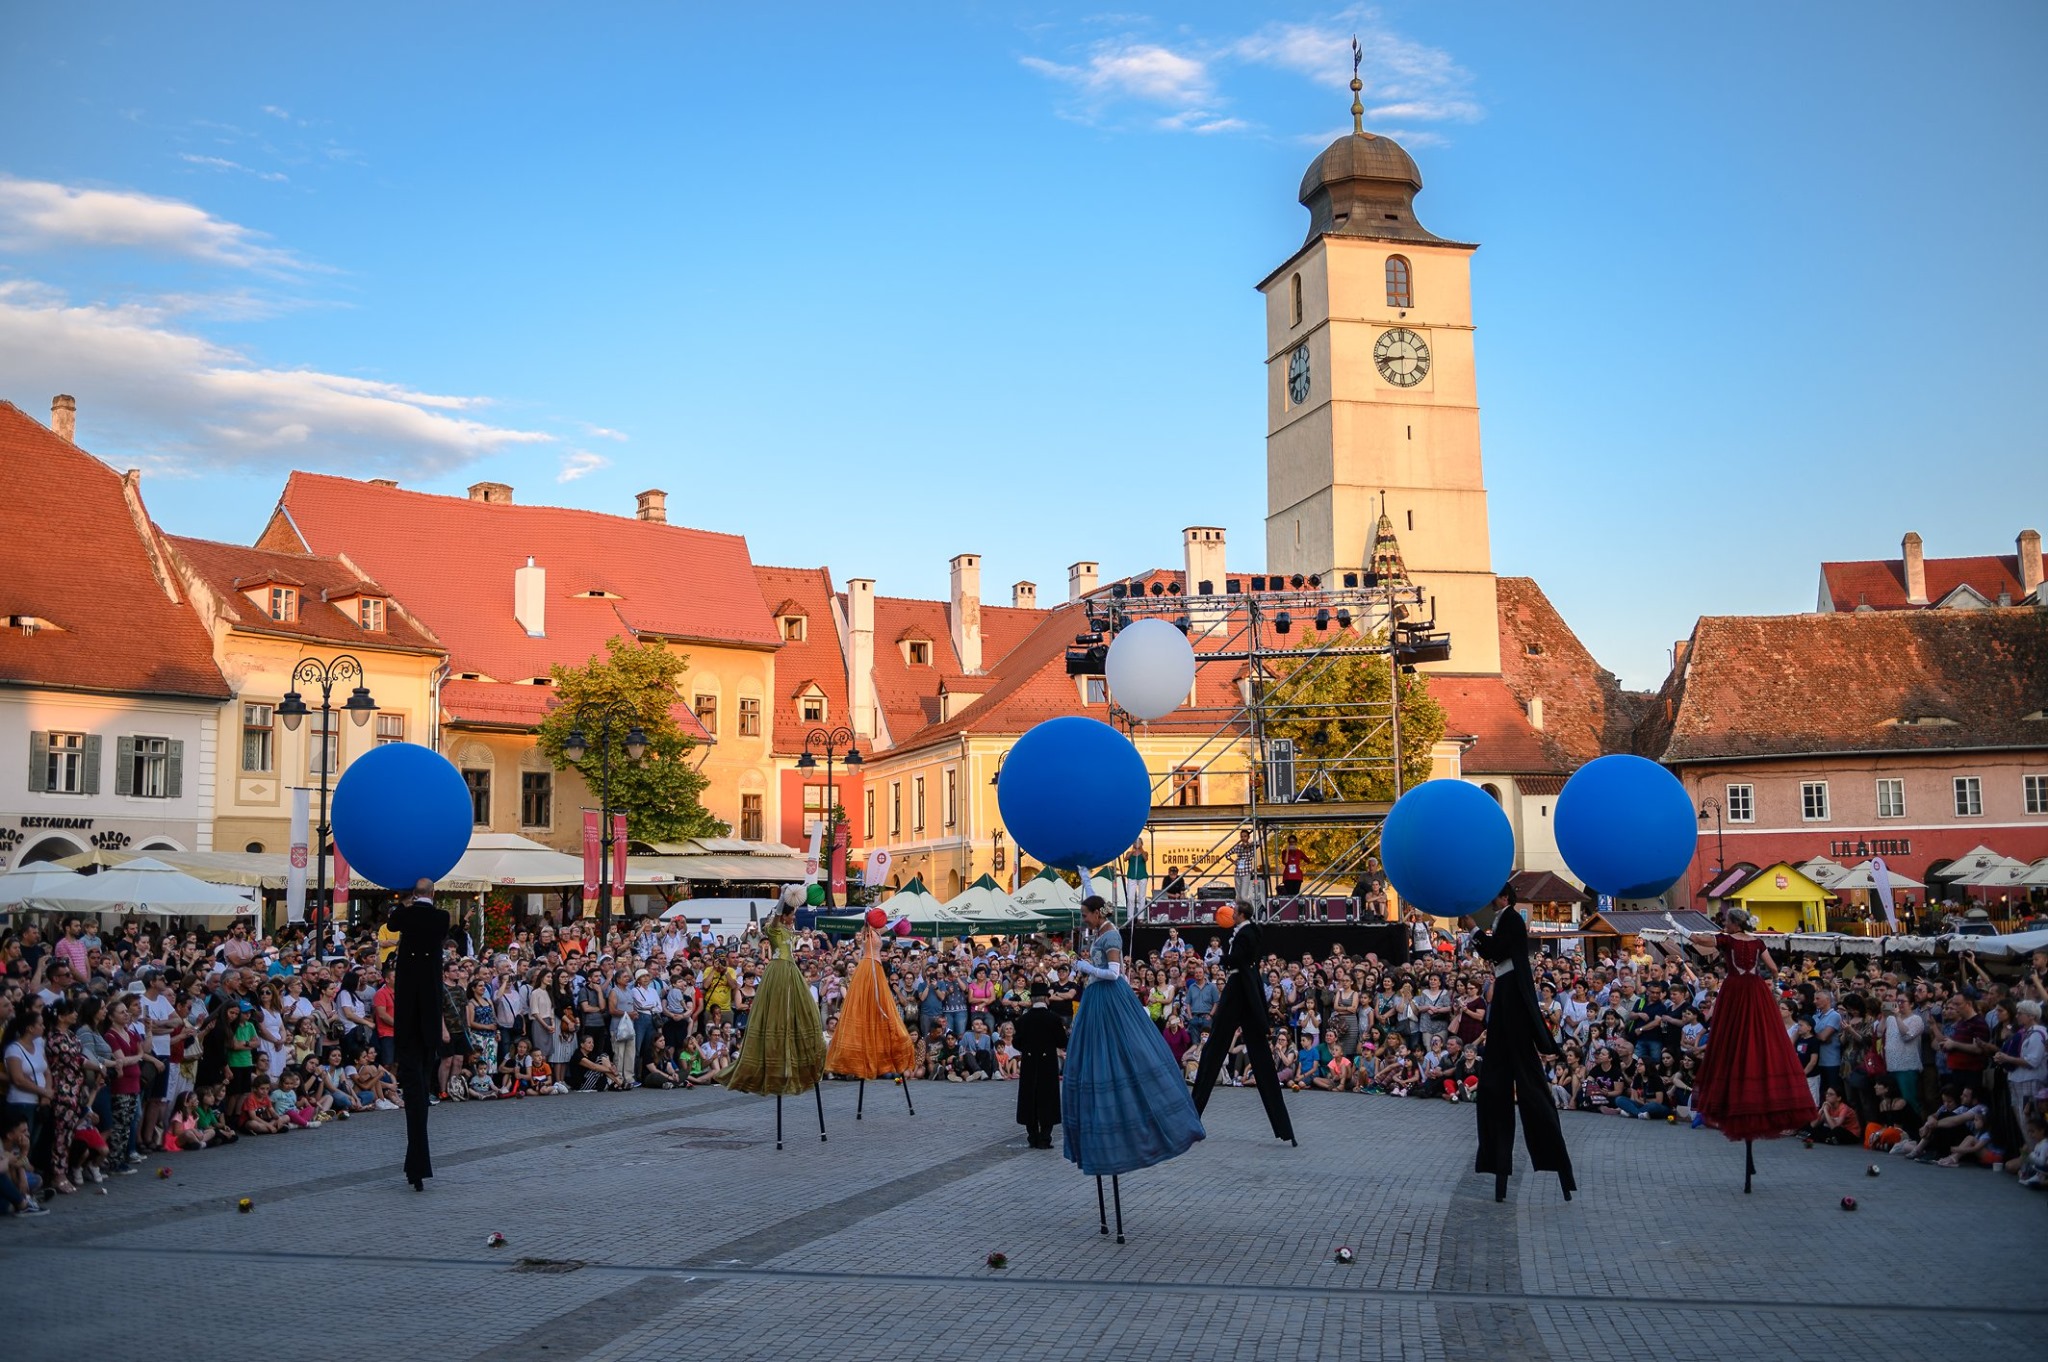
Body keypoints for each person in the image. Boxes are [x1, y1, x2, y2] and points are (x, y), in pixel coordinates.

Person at [1062, 897, 1203, 1236]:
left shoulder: (1110, 937)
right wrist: (1085, 872)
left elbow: (1113, 973)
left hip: (1107, 1000)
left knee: (1110, 1061)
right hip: (1097, 1002)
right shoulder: (1102, 925)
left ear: (1098, 914)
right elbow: (1094, 896)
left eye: (1085, 915)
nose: (1084, 921)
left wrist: (1083, 968)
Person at [1675, 908, 1818, 1192]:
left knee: (1732, 1037)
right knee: (1760, 1037)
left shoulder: (1727, 940)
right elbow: (1773, 968)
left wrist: (1680, 929)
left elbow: (1703, 941)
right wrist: (1775, 988)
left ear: (1734, 923)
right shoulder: (1756, 942)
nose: (1723, 924)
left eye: (1726, 921)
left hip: (1736, 990)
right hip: (1755, 990)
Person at [1472, 894, 1576, 1203]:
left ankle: (1554, 1167)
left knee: (1531, 1091)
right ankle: (1497, 1164)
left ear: (1503, 897)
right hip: (1505, 1001)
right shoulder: (1503, 919)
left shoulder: (1512, 919)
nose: (1488, 900)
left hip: (1513, 1003)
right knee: (1494, 1089)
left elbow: (1496, 950)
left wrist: (1475, 932)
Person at [720, 889, 829, 1139]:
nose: (793, 919)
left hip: (791, 973)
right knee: (777, 1014)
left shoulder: (790, 931)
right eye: (792, 915)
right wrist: (783, 898)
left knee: (804, 1015)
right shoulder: (774, 928)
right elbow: (777, 917)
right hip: (779, 973)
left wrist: (796, 898)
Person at [1191, 906, 1297, 1145]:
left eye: (1234, 911)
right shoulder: (1247, 931)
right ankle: (1284, 1128)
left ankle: (1192, 1116)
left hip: (1240, 989)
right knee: (1227, 1052)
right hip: (1243, 988)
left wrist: (1218, 959)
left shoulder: (1247, 932)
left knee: (1219, 1048)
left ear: (1240, 914)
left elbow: (1240, 958)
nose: (1231, 914)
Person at [388, 879, 450, 1191]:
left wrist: (404, 900)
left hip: (407, 1026)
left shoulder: (406, 915)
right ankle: (417, 1165)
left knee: (414, 1096)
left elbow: (393, 920)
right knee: (420, 1095)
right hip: (428, 1026)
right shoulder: (441, 918)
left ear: (415, 894)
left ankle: (416, 1166)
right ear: (434, 894)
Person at [824, 920, 917, 1090]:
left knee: (882, 1009)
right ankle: (864, 1066)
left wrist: (898, 919)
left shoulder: (875, 932)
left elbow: (885, 927)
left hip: (876, 968)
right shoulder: (868, 932)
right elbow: (876, 927)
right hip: (869, 968)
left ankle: (893, 1075)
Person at [1014, 986, 1065, 1149]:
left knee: (1030, 1097)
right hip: (1047, 1062)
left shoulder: (1023, 1019)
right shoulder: (1054, 1018)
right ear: (1045, 999)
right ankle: (1045, 1137)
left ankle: (1032, 1136)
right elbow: (1062, 1041)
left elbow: (1016, 1042)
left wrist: (1028, 1048)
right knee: (1047, 1097)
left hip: (1029, 1062)